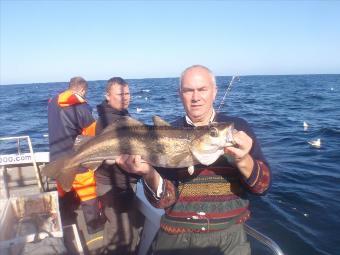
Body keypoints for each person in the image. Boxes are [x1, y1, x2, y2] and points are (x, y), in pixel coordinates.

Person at [115, 65, 271, 255]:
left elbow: (262, 187)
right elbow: (163, 201)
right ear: (180, 94)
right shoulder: (166, 135)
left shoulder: (237, 128)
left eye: (202, 89)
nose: (196, 97)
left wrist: (243, 160)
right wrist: (148, 173)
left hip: (229, 240)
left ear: (215, 92)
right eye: (189, 90)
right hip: (176, 237)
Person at [48, 76, 104, 234]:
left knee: (63, 191)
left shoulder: (53, 102)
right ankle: (95, 229)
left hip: (57, 159)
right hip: (76, 161)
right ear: (82, 90)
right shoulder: (81, 107)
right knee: (88, 194)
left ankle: (64, 221)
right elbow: (92, 136)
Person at [95, 77, 143, 255]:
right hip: (114, 185)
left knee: (116, 227)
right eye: (120, 93)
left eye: (128, 93)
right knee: (122, 236)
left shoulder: (122, 115)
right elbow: (111, 159)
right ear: (108, 96)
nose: (125, 97)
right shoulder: (110, 121)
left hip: (117, 182)